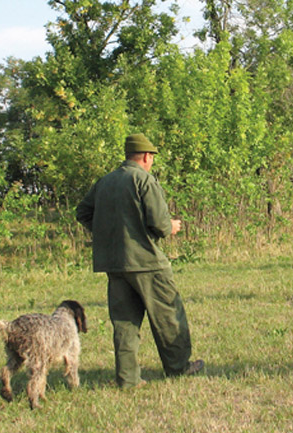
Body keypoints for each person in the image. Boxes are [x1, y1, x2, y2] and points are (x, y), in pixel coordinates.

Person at [76, 133, 203, 388]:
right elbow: (159, 224)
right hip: (147, 262)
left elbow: (83, 212)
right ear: (146, 156)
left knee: (124, 322)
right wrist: (172, 226)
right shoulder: (143, 180)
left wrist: (107, 232)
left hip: (115, 263)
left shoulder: (105, 182)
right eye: (152, 157)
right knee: (168, 314)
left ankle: (128, 378)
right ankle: (179, 368)